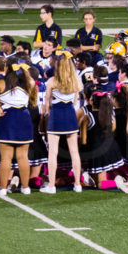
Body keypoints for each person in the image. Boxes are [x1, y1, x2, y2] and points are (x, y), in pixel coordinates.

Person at [0, 61, 34, 197]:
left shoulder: (2, 83)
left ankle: (3, 188)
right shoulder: (28, 83)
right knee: (23, 157)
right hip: (24, 119)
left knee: (6, 158)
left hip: (8, 119)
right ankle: (25, 187)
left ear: (7, 69)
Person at [40, 52, 84, 194]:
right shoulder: (76, 80)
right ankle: (77, 184)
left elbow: (46, 104)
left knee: (52, 152)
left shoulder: (52, 81)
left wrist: (44, 117)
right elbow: (76, 102)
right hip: (70, 115)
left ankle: (52, 186)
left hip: (56, 116)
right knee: (74, 152)